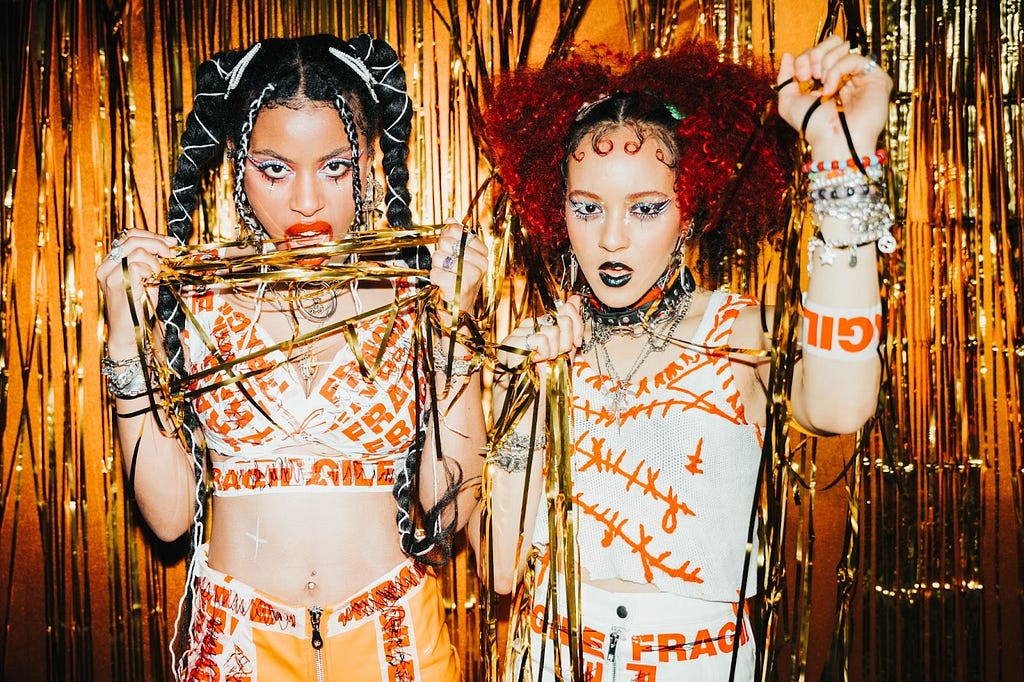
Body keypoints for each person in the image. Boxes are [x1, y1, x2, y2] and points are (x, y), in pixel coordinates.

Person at [477, 35, 892, 680]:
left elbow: (842, 406)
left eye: (646, 210)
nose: (612, 238)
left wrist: (839, 157)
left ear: (689, 210)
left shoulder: (739, 335)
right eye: (587, 208)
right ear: (557, 210)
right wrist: (525, 402)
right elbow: (503, 567)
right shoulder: (536, 346)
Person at [95, 34, 487, 681]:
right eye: (274, 169)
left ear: (367, 158)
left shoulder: (417, 295)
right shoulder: (197, 298)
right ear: (236, 163)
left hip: (396, 647)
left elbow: (449, 512)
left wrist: (454, 331)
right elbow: (167, 520)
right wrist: (122, 329)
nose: (306, 201)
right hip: (238, 648)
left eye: (334, 167)